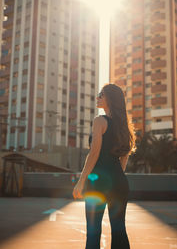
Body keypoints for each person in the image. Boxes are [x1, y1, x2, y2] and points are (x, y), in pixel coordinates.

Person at [72, 83, 136, 249]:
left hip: (98, 183)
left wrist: (81, 180)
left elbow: (94, 154)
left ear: (110, 99)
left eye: (101, 95)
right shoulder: (124, 127)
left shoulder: (99, 121)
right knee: (119, 230)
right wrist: (115, 178)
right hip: (120, 182)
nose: (97, 97)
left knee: (93, 232)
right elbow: (124, 159)